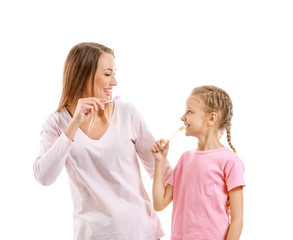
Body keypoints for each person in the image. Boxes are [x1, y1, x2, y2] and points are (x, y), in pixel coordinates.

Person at [33, 42, 172, 240]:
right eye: (108, 74)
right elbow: (44, 177)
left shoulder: (127, 113)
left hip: (141, 231)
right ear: (84, 76)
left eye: (114, 73)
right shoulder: (56, 123)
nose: (114, 82)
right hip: (93, 235)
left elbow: (163, 171)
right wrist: (74, 124)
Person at [151, 85, 245, 240]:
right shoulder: (185, 159)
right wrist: (160, 161)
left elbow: (237, 220)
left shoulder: (230, 161)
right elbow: (159, 203)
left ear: (212, 118)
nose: (183, 117)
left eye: (190, 111)